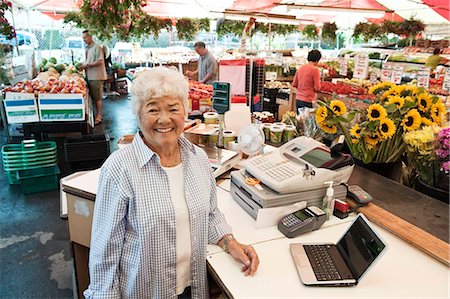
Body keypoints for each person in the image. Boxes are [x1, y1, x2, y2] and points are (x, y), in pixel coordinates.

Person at [84, 67, 259, 298]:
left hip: (192, 288)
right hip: (145, 291)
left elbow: (210, 214)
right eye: (153, 109)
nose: (164, 119)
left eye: (173, 109)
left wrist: (230, 242)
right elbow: (105, 250)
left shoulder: (198, 159)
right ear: (138, 114)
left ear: (184, 112)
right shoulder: (120, 169)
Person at [80, 30, 107, 125]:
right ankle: (95, 115)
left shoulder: (97, 47)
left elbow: (100, 61)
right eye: (83, 38)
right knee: (93, 98)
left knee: (97, 97)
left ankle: (99, 116)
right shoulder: (88, 48)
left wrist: (87, 65)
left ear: (90, 37)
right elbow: (87, 61)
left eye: (85, 38)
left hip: (96, 76)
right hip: (89, 75)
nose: (84, 40)